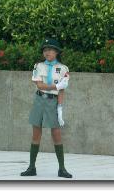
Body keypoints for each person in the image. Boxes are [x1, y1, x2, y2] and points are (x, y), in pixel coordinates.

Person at [20, 38, 72, 178]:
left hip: (52, 102)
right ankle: (31, 167)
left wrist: (60, 108)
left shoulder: (63, 69)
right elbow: (40, 85)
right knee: (36, 133)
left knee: (56, 134)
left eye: (50, 49)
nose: (47, 52)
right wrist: (56, 86)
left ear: (56, 52)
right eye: (45, 50)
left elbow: (62, 91)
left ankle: (62, 168)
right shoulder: (39, 66)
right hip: (39, 100)